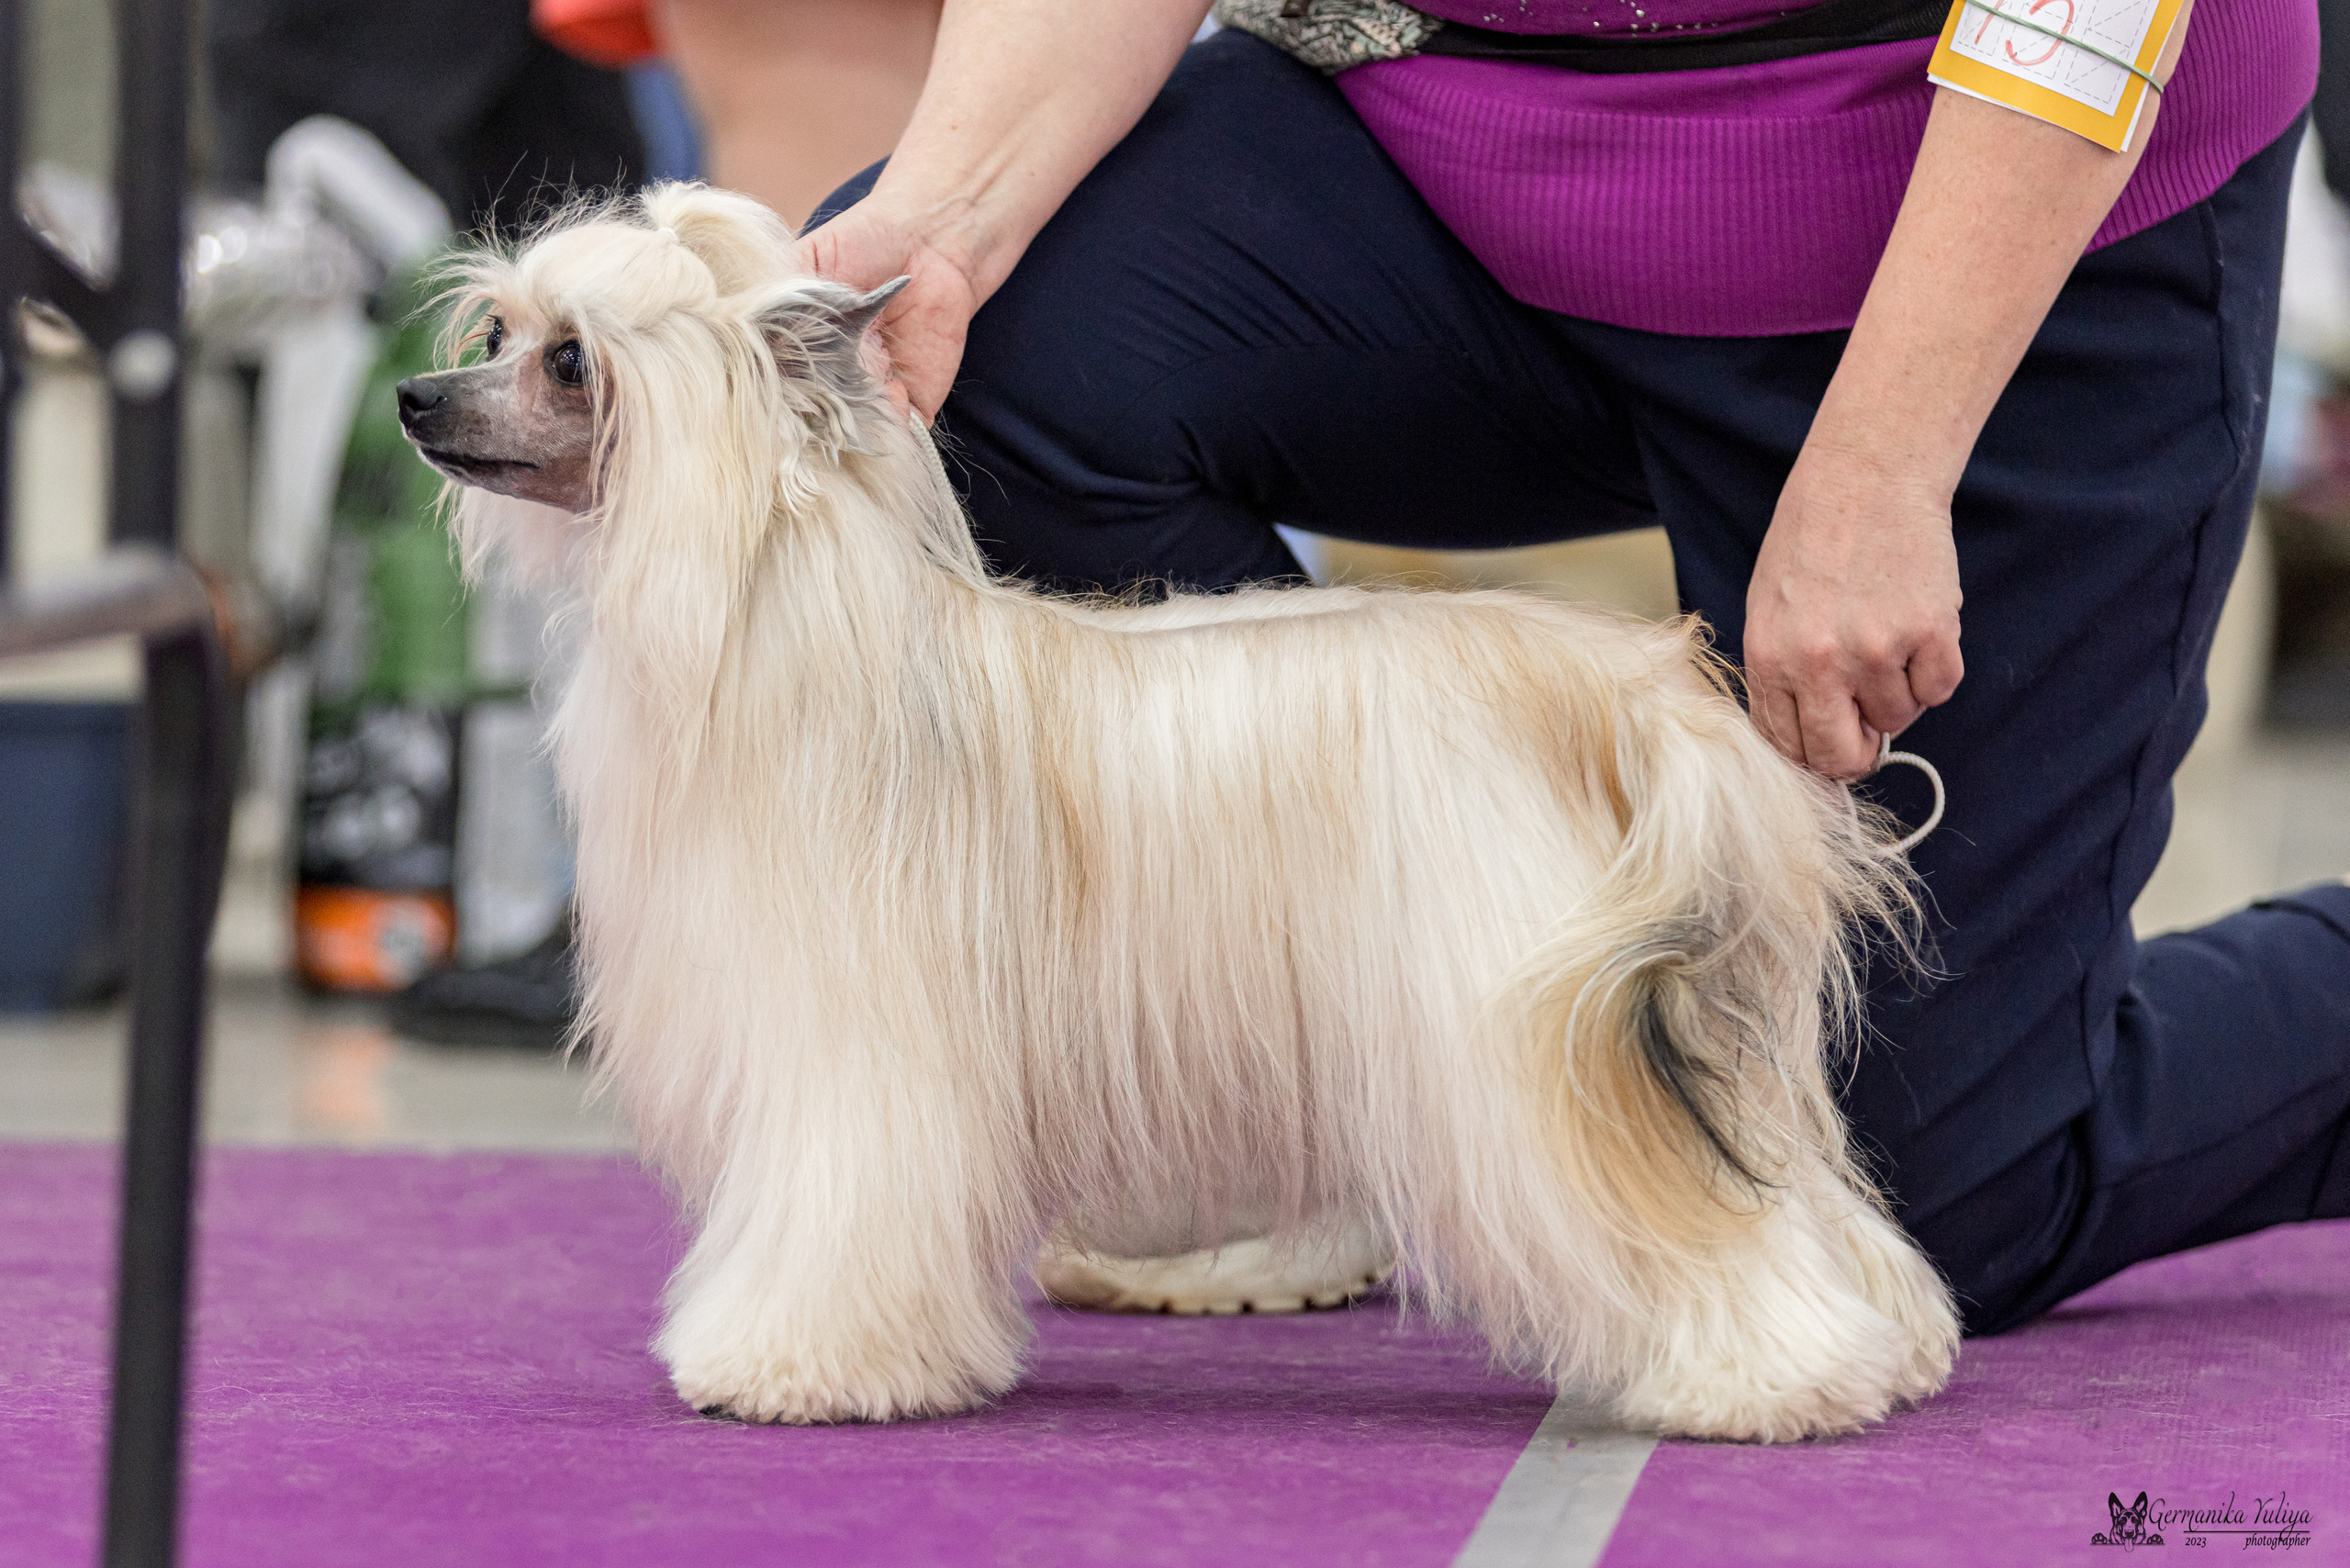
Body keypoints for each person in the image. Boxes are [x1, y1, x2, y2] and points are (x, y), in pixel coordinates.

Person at [757, 0, 2350, 1334]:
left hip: (1984, 236)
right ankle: (1321, 1079)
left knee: (1885, 1197)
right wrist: (950, 218)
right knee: (957, 362)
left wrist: (1881, 466)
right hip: (1470, 189)